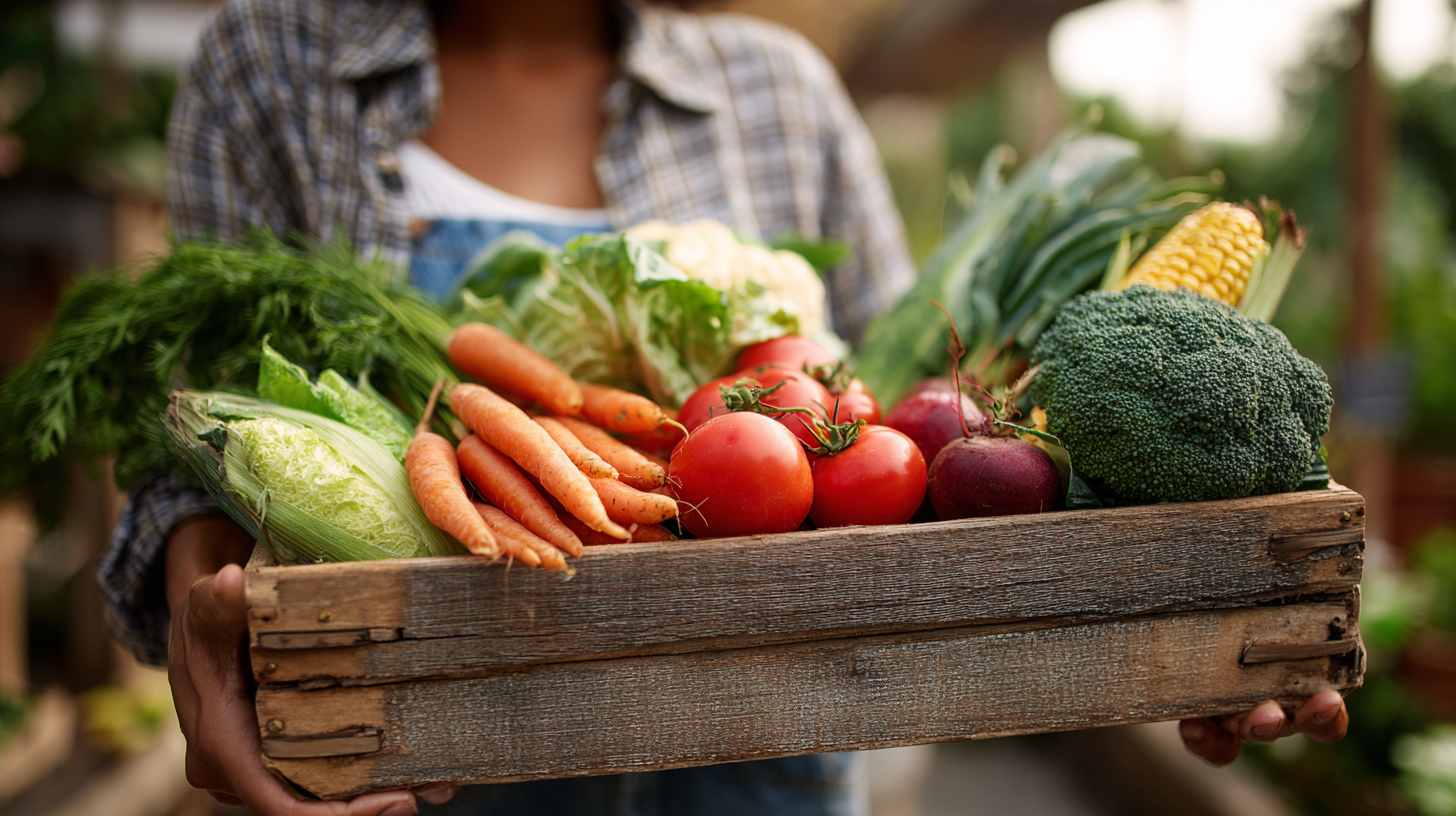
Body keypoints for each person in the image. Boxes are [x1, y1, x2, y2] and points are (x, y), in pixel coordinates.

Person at [98, 1, 1350, 814]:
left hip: (772, 775)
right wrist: (202, 612)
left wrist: (1168, 613)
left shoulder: (780, 91)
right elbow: (194, 436)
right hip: (409, 775)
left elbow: (930, 451)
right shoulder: (265, 70)